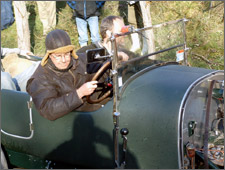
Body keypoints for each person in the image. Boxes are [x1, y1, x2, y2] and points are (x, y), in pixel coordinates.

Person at [26, 29, 110, 121]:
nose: (63, 60)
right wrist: (79, 93)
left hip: (96, 109)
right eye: (58, 56)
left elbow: (102, 66)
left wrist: (115, 60)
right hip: (74, 120)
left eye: (66, 54)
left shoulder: (79, 60)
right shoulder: (41, 78)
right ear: (49, 55)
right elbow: (47, 109)